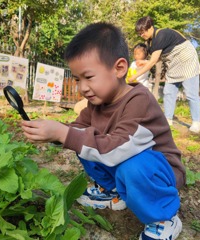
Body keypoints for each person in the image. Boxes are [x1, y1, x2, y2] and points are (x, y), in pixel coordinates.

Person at [21, 22, 185, 240]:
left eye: (88, 77)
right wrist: (54, 132)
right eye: (77, 79)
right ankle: (113, 191)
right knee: (83, 140)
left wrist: (64, 134)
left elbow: (119, 148)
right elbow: (77, 131)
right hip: (125, 159)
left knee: (128, 163)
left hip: (158, 171)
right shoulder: (96, 105)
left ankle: (164, 217)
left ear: (119, 68)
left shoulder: (139, 100)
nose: (82, 88)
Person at [128, 16, 200, 133]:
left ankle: (196, 122)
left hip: (186, 59)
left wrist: (134, 77)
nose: (141, 35)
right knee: (169, 91)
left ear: (150, 27)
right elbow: (157, 59)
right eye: (139, 33)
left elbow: (153, 61)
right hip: (173, 64)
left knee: (190, 93)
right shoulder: (150, 42)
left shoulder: (160, 35)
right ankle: (168, 119)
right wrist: (145, 61)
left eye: (142, 32)